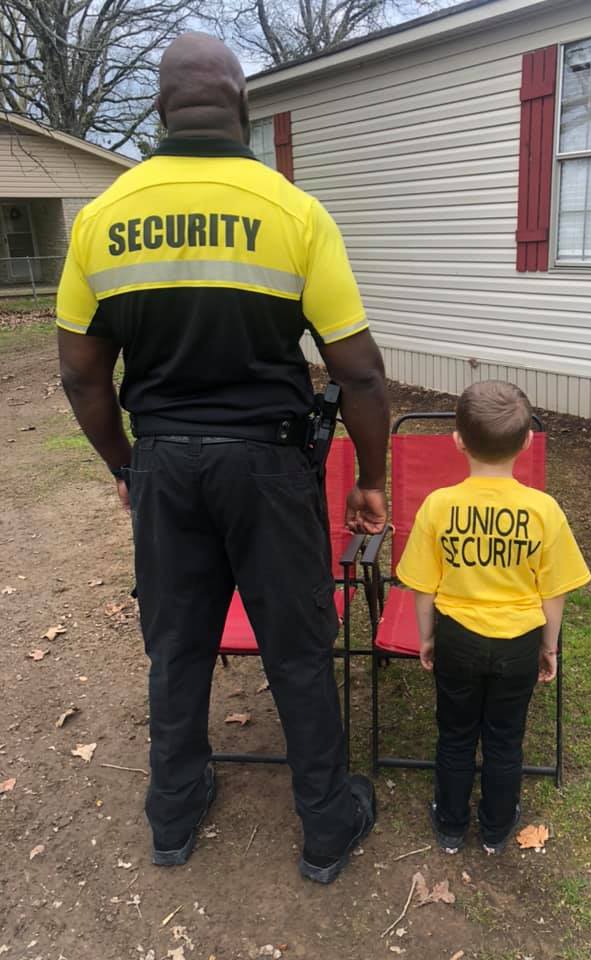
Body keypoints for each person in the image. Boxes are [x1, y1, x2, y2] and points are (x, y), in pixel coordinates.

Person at [55, 32, 389, 885]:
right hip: (270, 470)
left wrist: (127, 466)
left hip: (165, 463)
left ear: (161, 110)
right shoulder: (293, 212)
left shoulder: (101, 218)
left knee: (178, 647)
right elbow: (358, 372)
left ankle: (173, 811)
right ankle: (324, 826)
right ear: (242, 105)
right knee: (298, 651)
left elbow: (81, 377)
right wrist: (374, 479)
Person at [396, 381, 590, 855]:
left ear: (458, 439)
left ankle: (449, 825)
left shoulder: (438, 506)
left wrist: (426, 638)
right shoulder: (544, 511)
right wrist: (549, 646)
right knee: (506, 737)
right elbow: (555, 592)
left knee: (456, 733)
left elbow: (422, 587)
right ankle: (497, 827)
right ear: (527, 443)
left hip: (457, 637)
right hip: (519, 642)